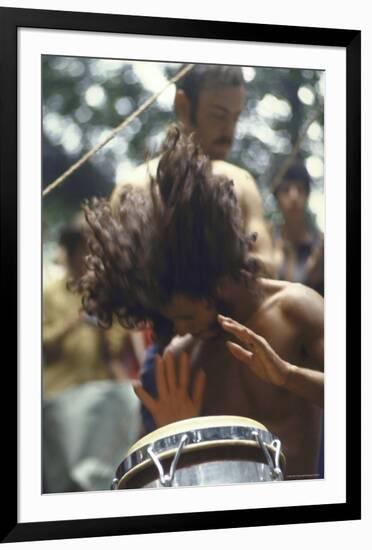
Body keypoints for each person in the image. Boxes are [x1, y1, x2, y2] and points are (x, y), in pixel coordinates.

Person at [79, 126, 324, 480]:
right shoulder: (180, 359)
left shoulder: (295, 310)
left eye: (185, 315)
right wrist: (174, 434)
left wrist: (288, 376)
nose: (178, 329)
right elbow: (158, 488)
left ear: (216, 282)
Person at [111, 64, 275, 275]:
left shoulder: (241, 184)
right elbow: (116, 278)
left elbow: (268, 268)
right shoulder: (134, 187)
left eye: (236, 117)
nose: (229, 131)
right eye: (218, 115)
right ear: (183, 106)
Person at [42, 218, 141, 492]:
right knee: (63, 481)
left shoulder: (106, 293)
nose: (88, 259)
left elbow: (116, 347)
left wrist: (101, 325)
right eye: (83, 251)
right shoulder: (48, 294)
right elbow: (41, 343)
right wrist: (73, 323)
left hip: (100, 395)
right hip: (60, 395)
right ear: (70, 253)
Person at [272, 160, 324, 296]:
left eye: (300, 189)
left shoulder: (321, 244)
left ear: (307, 195)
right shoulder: (267, 241)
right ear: (276, 197)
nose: (294, 196)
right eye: (285, 189)